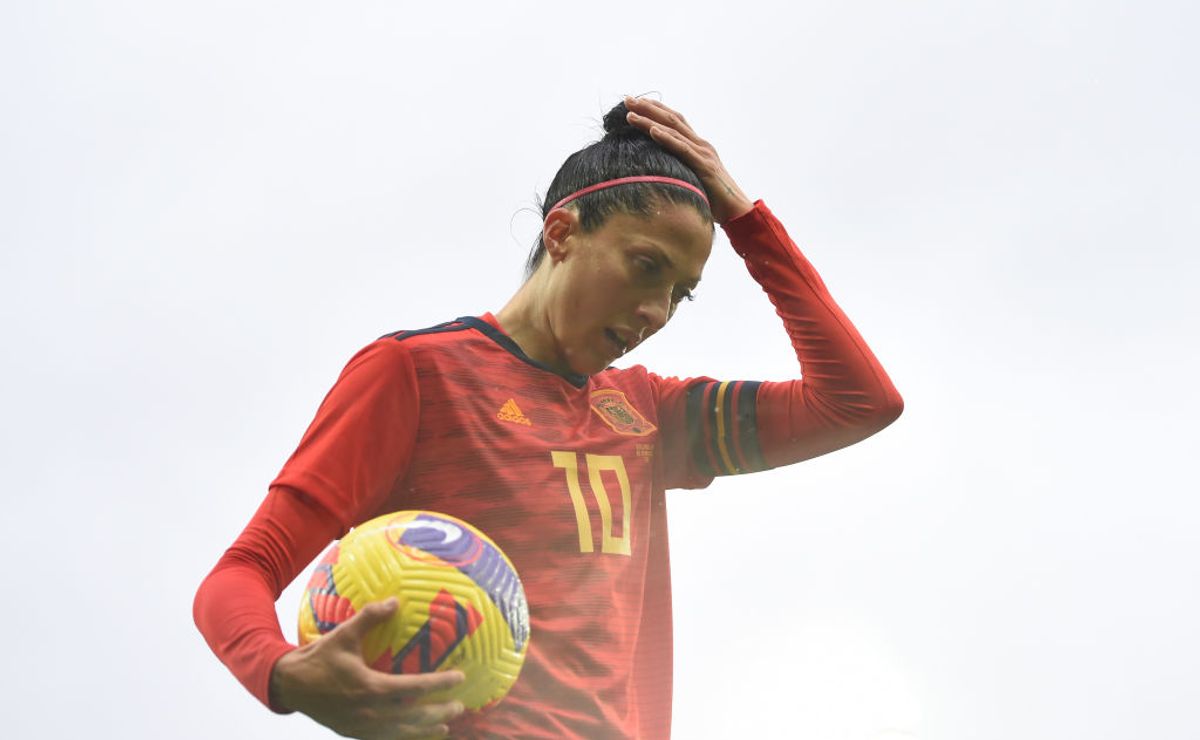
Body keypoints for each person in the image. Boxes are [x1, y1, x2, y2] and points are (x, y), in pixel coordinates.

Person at [193, 96, 904, 739]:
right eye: (645, 266)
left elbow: (859, 402)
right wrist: (281, 672)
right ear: (561, 232)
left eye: (681, 293)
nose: (656, 312)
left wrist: (749, 223)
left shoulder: (651, 416)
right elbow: (242, 571)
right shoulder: (418, 373)